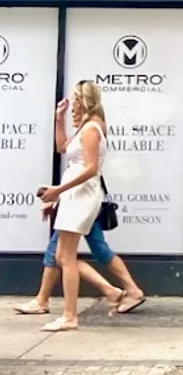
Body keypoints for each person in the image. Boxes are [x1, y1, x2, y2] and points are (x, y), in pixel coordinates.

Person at [34, 81, 109, 332]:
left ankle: (70, 315)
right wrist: (59, 119)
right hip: (74, 195)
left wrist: (58, 191)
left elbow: (90, 168)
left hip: (82, 195)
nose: (72, 105)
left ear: (83, 100)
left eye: (75, 100)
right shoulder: (86, 127)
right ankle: (74, 311)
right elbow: (62, 147)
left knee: (65, 256)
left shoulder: (91, 128)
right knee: (62, 256)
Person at [12, 218, 147, 317]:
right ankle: (128, 290)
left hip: (75, 209)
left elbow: (80, 180)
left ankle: (42, 301)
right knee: (99, 250)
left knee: (59, 255)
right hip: (86, 205)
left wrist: (56, 192)